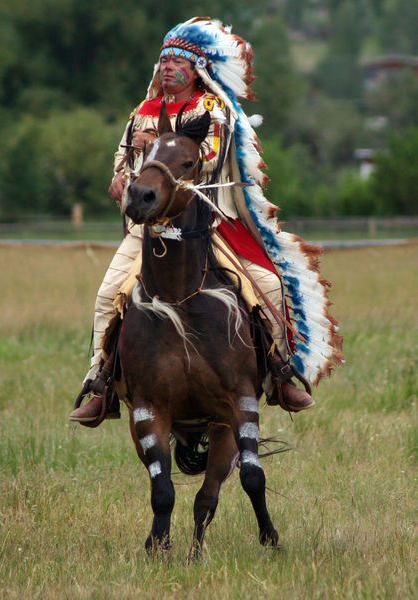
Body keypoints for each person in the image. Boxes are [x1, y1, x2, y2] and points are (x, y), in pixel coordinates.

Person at [70, 18, 342, 424]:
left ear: (197, 70)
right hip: (150, 230)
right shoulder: (142, 112)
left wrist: (157, 147)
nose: (167, 67)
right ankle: (100, 383)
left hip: (206, 226)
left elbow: (208, 161)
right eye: (163, 60)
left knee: (268, 285)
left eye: (178, 60)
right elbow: (123, 157)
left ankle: (281, 374)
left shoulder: (212, 110)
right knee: (108, 295)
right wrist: (121, 177)